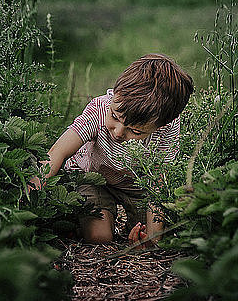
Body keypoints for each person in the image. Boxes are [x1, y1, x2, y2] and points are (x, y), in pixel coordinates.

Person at [30, 53, 194, 248]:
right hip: (93, 178)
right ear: (115, 94)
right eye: (115, 117)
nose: (118, 132)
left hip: (138, 188)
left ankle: (130, 226)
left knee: (154, 231)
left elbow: (158, 182)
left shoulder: (167, 129)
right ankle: (77, 220)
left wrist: (153, 239)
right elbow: (59, 151)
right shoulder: (100, 109)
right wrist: (29, 197)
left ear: (161, 125)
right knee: (99, 237)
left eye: (135, 131)